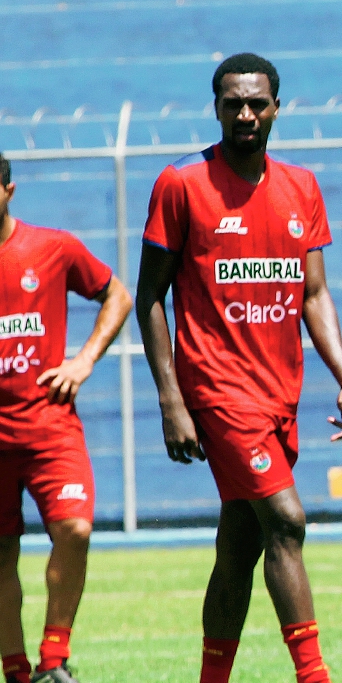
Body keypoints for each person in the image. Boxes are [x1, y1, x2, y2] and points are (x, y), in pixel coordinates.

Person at [135, 53, 342, 683]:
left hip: (278, 395)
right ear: (215, 108)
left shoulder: (302, 187)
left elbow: (313, 294)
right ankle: (314, 676)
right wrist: (171, 398)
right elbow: (148, 296)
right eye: (232, 103)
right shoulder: (181, 184)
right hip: (216, 389)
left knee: (240, 544)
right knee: (287, 521)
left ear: (275, 108)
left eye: (256, 103)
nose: (245, 114)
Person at [0, 154, 133, 683]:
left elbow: (117, 295)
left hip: (49, 426)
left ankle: (55, 658)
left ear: (8, 190)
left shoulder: (52, 248)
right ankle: (16, 669)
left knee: (75, 529)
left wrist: (83, 360)